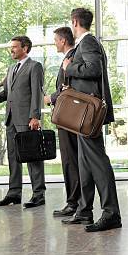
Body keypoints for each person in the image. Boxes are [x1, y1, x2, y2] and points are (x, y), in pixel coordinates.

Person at [61, 8, 121, 232]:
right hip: (82, 114)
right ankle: (84, 211)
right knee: (85, 162)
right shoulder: (86, 44)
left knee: (97, 161)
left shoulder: (87, 42)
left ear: (75, 22)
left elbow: (93, 69)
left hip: (88, 114)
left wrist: (70, 68)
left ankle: (111, 213)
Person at [0, 36, 46, 208]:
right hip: (11, 119)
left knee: (32, 157)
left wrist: (35, 116)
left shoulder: (34, 66)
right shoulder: (11, 69)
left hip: (27, 119)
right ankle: (14, 193)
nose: (12, 50)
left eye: (15, 47)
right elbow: (7, 93)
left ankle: (38, 194)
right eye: (11, 47)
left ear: (25, 48)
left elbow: (37, 93)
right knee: (13, 157)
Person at [43, 27, 86, 218]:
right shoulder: (70, 57)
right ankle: (75, 201)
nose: (54, 43)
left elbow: (69, 88)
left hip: (70, 117)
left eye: (55, 40)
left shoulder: (72, 58)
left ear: (62, 41)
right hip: (70, 117)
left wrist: (51, 98)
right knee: (72, 160)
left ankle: (73, 203)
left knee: (70, 160)